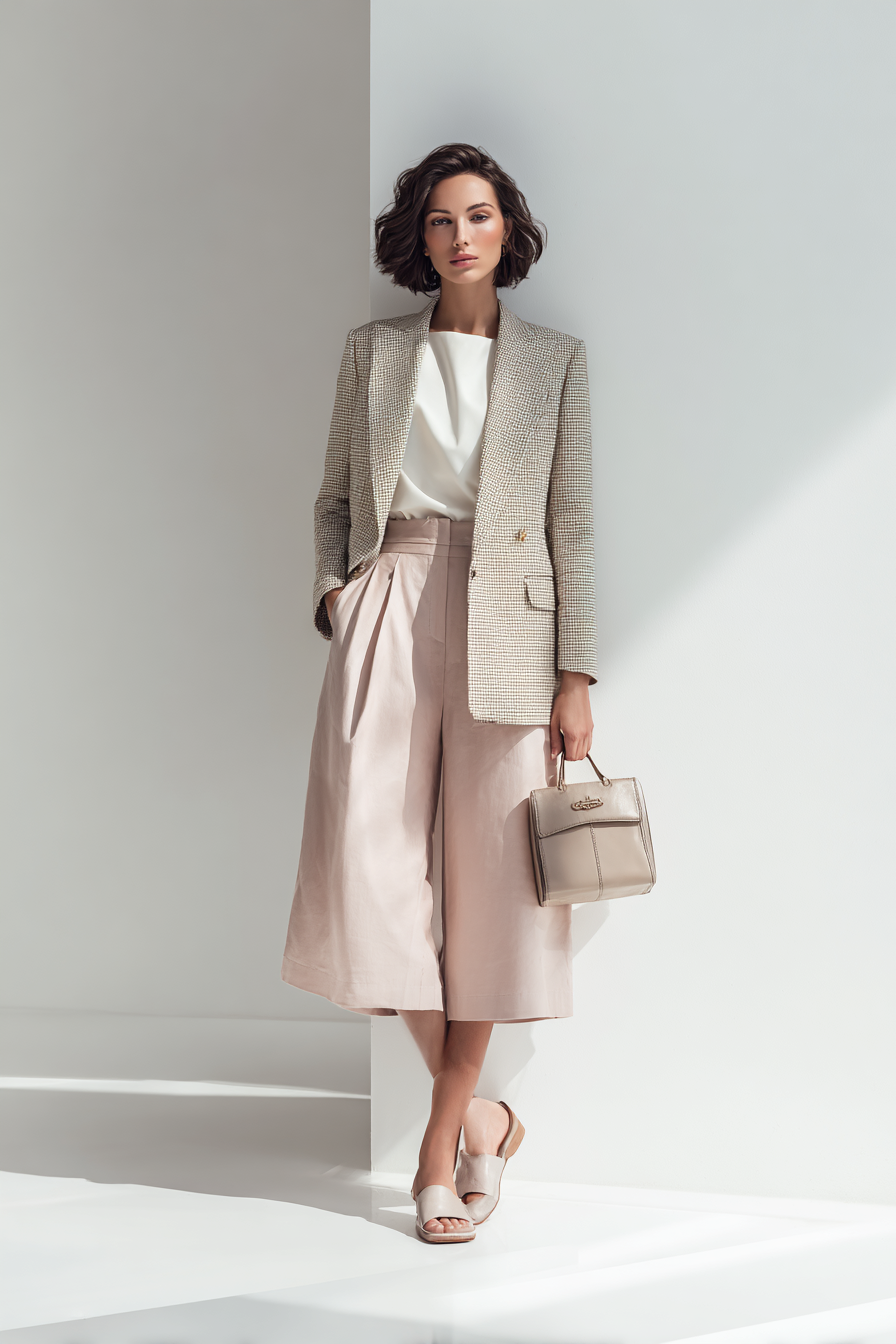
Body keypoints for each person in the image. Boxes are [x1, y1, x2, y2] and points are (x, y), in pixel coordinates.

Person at [282, 143, 597, 1242]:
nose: (456, 235)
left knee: (488, 888)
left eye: (475, 215)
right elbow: (332, 494)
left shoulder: (555, 362)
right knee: (369, 870)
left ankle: (437, 1141)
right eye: (435, 221)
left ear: (506, 229)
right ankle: (485, 1123)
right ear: (416, 240)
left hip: (510, 621)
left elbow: (574, 530)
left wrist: (574, 675)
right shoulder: (372, 353)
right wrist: (339, 596)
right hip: (393, 593)